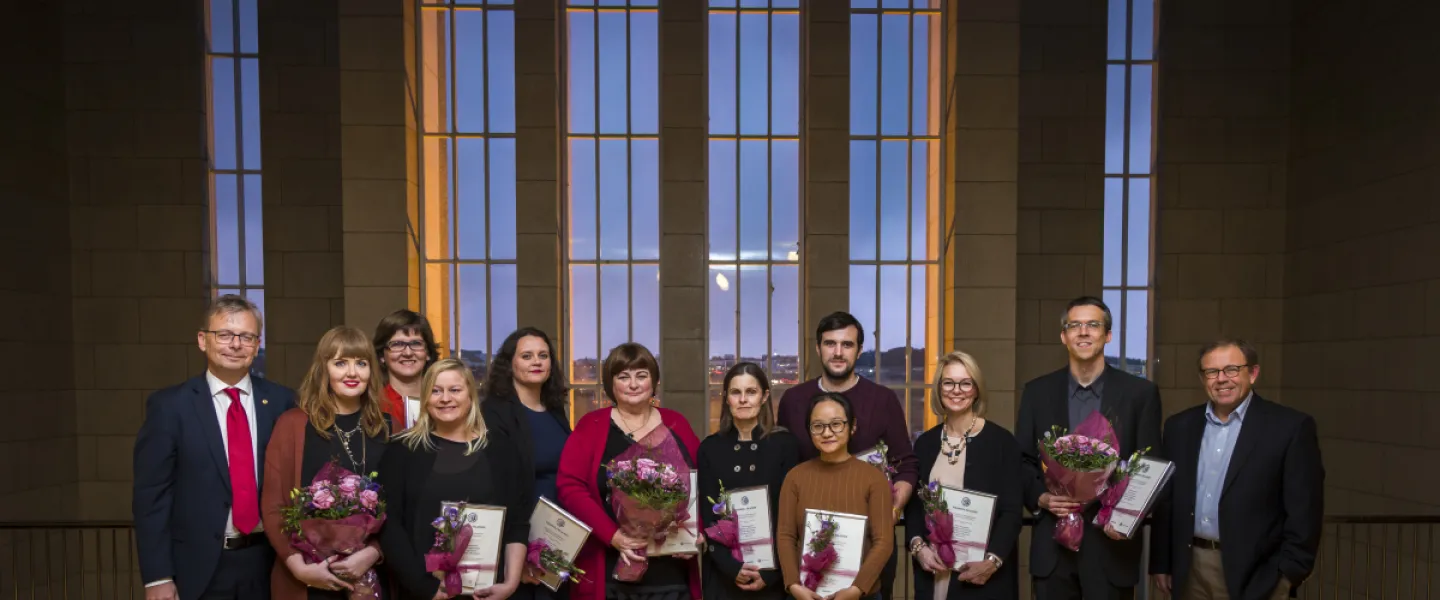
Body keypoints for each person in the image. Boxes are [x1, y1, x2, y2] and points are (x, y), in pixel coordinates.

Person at [133, 295, 297, 600]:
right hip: (198, 569)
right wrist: (157, 577)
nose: (235, 344)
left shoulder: (281, 402)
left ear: (257, 343)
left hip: (269, 564)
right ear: (202, 340)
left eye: (246, 337)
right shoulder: (170, 407)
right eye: (224, 335)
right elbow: (151, 498)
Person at [1150, 339, 1324, 600]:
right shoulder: (1179, 427)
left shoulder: (1290, 428)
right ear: (1203, 378)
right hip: (1188, 568)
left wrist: (1287, 575)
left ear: (1252, 373)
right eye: (1211, 372)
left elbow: (1305, 511)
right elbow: (1167, 502)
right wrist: (1161, 563)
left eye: (1231, 369)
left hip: (1256, 574)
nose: (1221, 379)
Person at [1014, 296, 1161, 600]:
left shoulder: (1140, 394)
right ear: (1063, 336)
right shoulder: (1036, 392)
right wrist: (1040, 497)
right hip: (1053, 548)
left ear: (1107, 335)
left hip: (1111, 546)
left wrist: (1123, 515)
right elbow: (1022, 461)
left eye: (1093, 325)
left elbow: (1148, 466)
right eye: (1075, 325)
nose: (1083, 332)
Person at [775, 312, 916, 600]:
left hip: (869, 547)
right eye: (830, 343)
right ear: (818, 348)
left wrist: (892, 507)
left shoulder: (883, 400)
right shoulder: (793, 400)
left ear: (859, 350)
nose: (838, 352)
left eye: (847, 345)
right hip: (809, 551)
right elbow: (785, 466)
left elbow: (905, 463)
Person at [556, 343, 702, 600]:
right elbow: (570, 487)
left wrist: (695, 535)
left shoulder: (676, 423)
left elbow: (701, 483)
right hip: (610, 569)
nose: (633, 384)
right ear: (610, 384)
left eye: (641, 375)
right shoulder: (592, 426)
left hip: (671, 572)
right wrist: (613, 536)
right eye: (623, 376)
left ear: (653, 381)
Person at [378, 359, 530, 599]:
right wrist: (423, 587)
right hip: (424, 593)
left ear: (470, 394)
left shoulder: (502, 449)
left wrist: (510, 583)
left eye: (455, 390)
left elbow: (518, 522)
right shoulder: (402, 451)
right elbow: (390, 526)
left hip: (488, 593)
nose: (445, 398)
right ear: (425, 398)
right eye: (436, 391)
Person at [260, 326, 392, 598]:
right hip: (306, 580)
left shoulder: (389, 429)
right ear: (324, 369)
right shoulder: (292, 425)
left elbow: (401, 510)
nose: (352, 373)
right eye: (340, 363)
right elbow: (274, 507)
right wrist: (297, 566)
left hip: (372, 582)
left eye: (361, 363)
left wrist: (372, 554)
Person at [904, 352, 1021, 600]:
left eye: (965, 383)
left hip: (982, 576)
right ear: (939, 389)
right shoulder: (924, 444)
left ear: (976, 390)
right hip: (934, 571)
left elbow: (1011, 512)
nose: (956, 390)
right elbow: (915, 507)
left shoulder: (1002, 442)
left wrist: (992, 562)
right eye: (948, 382)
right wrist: (919, 548)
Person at [481, 327, 573, 600]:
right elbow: (497, 486)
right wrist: (518, 556)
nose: (536, 362)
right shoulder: (495, 412)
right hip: (519, 537)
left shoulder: (554, 409)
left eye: (543, 355)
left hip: (558, 539)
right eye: (527, 355)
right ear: (510, 364)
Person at [697, 362, 801, 600]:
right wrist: (731, 568)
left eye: (751, 392)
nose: (743, 399)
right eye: (736, 392)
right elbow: (709, 515)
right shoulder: (709, 449)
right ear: (726, 398)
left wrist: (772, 572)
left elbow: (791, 515)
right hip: (724, 574)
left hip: (774, 572)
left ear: (764, 396)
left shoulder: (785, 446)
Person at [777, 392, 894, 600]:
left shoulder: (874, 479)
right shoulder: (795, 477)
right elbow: (786, 536)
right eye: (818, 426)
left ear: (852, 426)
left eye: (836, 424)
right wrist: (793, 585)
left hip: (861, 594)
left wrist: (857, 589)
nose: (827, 433)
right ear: (809, 431)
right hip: (804, 594)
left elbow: (883, 541)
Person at [372, 310, 441, 430]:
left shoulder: (445, 401)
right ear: (382, 355)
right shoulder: (372, 406)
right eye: (397, 344)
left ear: (428, 352)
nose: (408, 353)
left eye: (416, 343)